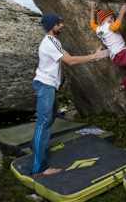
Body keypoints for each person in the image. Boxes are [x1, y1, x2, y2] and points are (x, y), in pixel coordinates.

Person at [31, 14, 108, 176]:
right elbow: (70, 61)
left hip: (49, 86)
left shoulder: (55, 42)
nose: (62, 25)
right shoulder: (49, 43)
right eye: (59, 23)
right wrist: (94, 57)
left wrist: (93, 56)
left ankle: (40, 151)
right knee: (43, 122)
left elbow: (71, 57)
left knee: (49, 119)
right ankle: (39, 168)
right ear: (52, 26)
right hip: (45, 85)